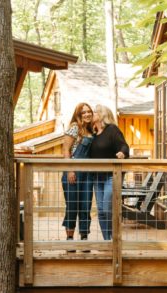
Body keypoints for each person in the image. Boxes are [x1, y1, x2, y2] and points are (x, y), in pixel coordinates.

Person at [90, 104, 129, 240]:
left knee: (107, 208)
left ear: (102, 115)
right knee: (100, 211)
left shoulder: (112, 130)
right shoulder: (93, 133)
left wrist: (122, 153)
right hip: (97, 177)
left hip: (111, 176)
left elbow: (124, 145)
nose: (91, 114)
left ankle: (114, 240)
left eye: (94, 112)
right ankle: (107, 241)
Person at [61, 102, 94, 251]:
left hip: (87, 174)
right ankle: (69, 239)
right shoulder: (74, 127)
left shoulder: (91, 130)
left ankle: (84, 238)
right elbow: (66, 150)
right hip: (73, 172)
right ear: (78, 115)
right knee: (72, 206)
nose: (87, 114)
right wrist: (70, 170)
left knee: (85, 206)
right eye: (84, 113)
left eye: (89, 112)